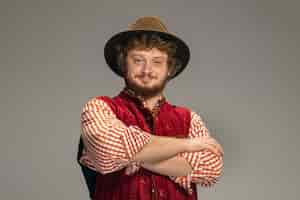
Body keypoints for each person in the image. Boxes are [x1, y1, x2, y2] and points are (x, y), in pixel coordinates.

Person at [78, 16, 224, 200]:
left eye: (157, 61)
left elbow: (211, 167)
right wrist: (187, 145)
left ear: (169, 68)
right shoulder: (99, 107)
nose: (147, 70)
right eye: (138, 60)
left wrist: (133, 157)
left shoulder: (189, 118)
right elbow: (108, 149)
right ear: (124, 64)